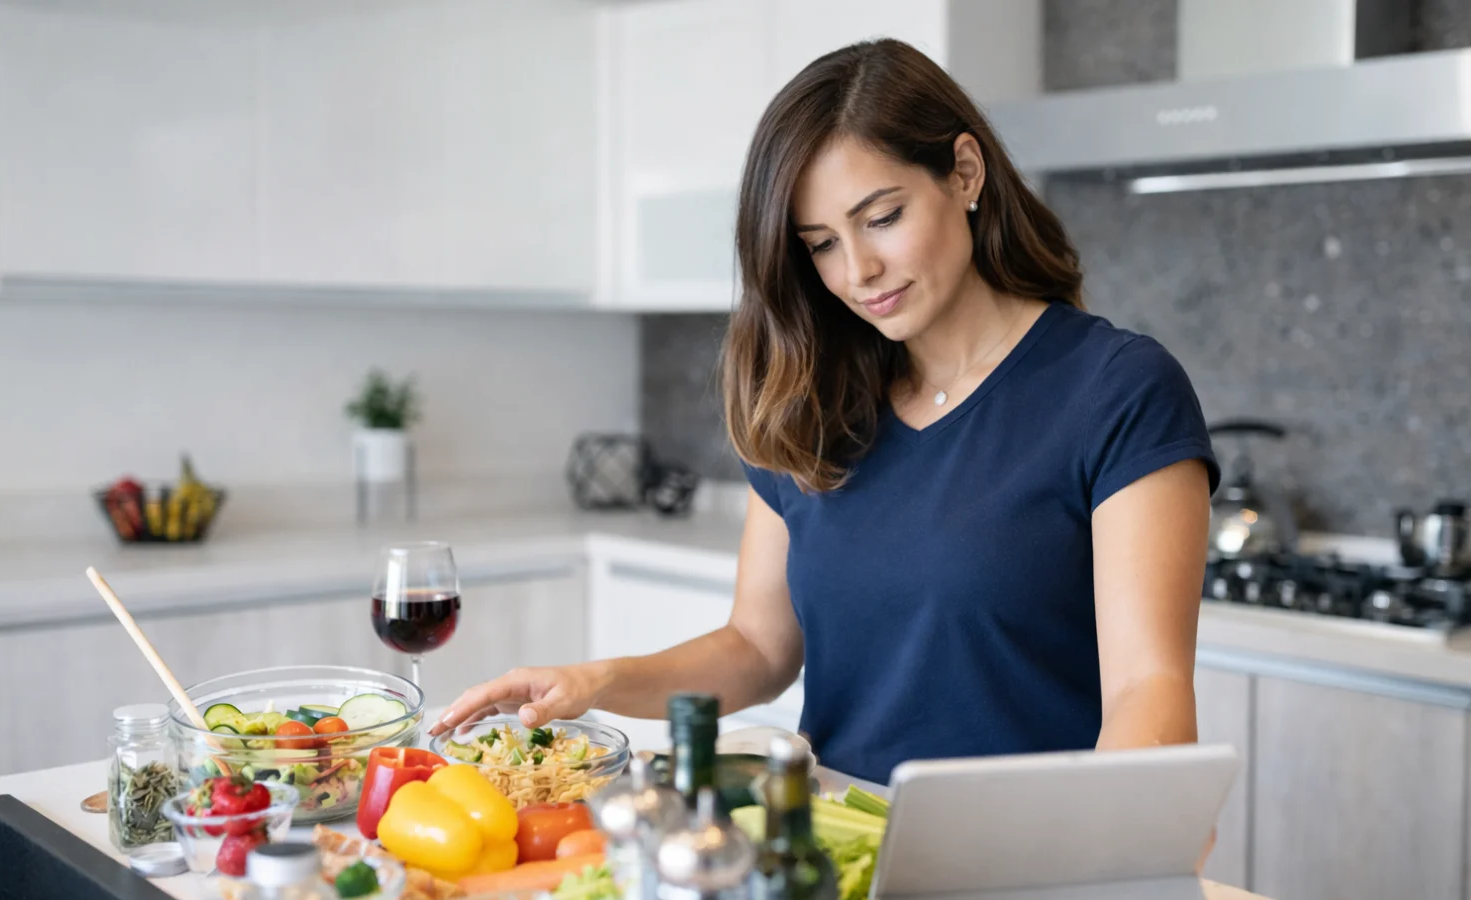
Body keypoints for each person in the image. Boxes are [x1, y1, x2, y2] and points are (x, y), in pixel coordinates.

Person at [432, 39, 1219, 788]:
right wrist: (593, 681)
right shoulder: (809, 400)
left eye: (881, 218)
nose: (858, 270)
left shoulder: (1117, 392)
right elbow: (758, 647)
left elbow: (1147, 688)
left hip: (1024, 863)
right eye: (820, 243)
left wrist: (1117, 841)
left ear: (965, 172)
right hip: (831, 860)